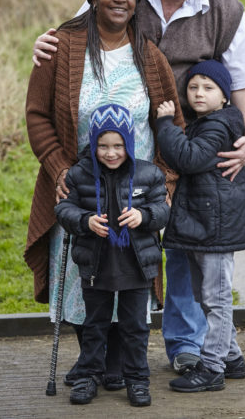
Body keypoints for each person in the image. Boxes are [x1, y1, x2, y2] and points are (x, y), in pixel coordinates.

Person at [31, 0, 245, 374]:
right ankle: (109, 352)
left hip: (182, 146)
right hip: (104, 155)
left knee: (178, 247)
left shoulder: (225, 7)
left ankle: (184, 345)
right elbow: (76, 30)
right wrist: (47, 41)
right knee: (104, 247)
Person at [25, 0, 184, 388]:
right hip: (81, 189)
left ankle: (117, 362)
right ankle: (92, 359)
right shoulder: (61, 46)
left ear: (137, 1)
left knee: (130, 272)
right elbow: (37, 115)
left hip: (135, 190)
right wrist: (59, 168)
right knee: (83, 272)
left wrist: (165, 184)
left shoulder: (148, 56)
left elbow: (171, 124)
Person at [55, 104, 170, 406]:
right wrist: (85, 221)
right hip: (96, 264)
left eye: (118, 145)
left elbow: (163, 210)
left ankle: (137, 381)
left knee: (135, 328)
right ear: (93, 144)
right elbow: (64, 209)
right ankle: (88, 376)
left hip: (135, 266)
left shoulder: (148, 174)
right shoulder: (80, 174)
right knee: (94, 325)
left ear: (129, 143)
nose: (111, 153)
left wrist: (143, 217)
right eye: (103, 145)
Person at [156, 60, 245, 392]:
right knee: (204, 295)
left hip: (216, 225)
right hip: (205, 223)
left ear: (225, 96)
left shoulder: (217, 126)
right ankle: (232, 358)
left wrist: (165, 125)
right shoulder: (209, 122)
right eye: (194, 87)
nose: (199, 93)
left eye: (209, 88)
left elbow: (188, 158)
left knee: (215, 297)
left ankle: (212, 367)